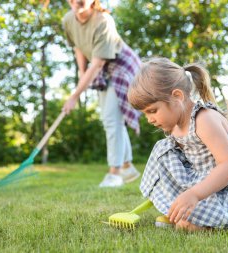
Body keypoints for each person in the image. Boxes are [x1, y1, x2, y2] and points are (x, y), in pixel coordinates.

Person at [127, 57, 228, 231]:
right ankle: (177, 209)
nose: (149, 119)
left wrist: (194, 194)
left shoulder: (204, 119)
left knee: (186, 222)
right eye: (145, 114)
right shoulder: (176, 126)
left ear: (177, 96)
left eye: (152, 111)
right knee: (163, 150)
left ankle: (213, 222)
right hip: (205, 182)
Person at [62, 0, 141, 187]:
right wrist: (82, 75)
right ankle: (127, 167)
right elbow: (78, 47)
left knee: (112, 120)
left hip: (122, 66)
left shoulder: (103, 21)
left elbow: (97, 63)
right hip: (102, 69)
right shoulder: (68, 20)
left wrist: (75, 96)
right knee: (110, 120)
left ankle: (115, 174)